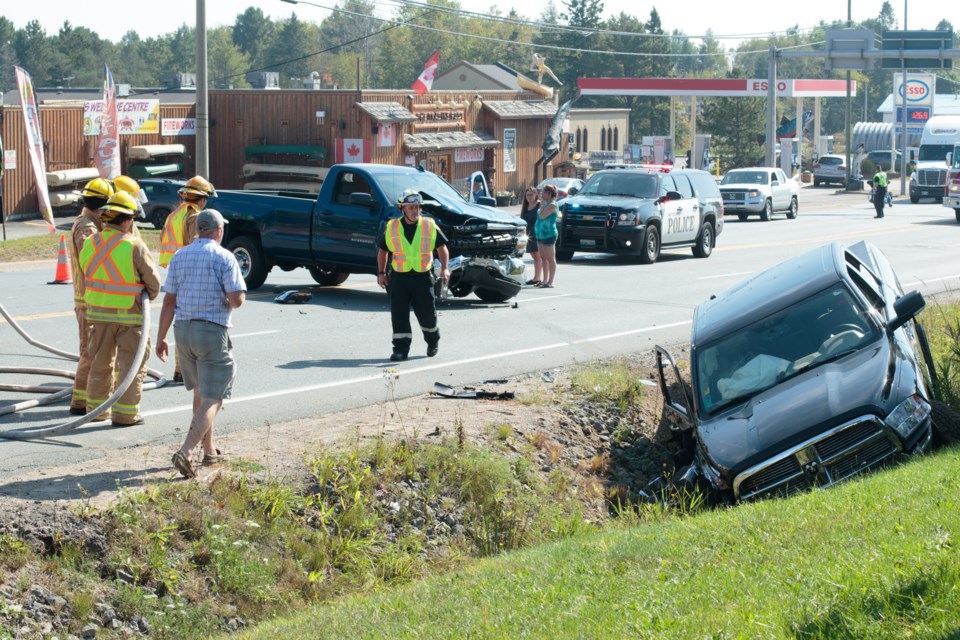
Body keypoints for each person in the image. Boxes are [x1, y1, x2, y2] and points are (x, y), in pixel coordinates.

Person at [156, 209, 246, 479]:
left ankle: (207, 449)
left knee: (200, 391)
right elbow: (236, 300)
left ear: (198, 229)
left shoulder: (180, 256)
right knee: (215, 394)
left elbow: (169, 300)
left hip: (183, 330)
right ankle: (184, 451)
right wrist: (234, 295)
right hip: (211, 330)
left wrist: (161, 336)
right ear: (218, 230)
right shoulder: (225, 257)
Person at [79, 192, 162, 426]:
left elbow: (88, 271)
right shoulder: (134, 245)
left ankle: (96, 411)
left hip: (98, 315)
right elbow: (153, 283)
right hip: (130, 316)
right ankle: (125, 414)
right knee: (131, 366)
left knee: (100, 363)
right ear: (126, 220)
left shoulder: (91, 242)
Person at [376, 189, 450, 362]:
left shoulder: (429, 225)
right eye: (411, 207)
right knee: (399, 314)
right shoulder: (392, 226)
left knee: (426, 314)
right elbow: (382, 251)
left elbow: (442, 248)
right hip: (399, 278)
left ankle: (433, 341)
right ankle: (401, 350)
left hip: (422, 277)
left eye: (418, 207)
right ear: (402, 208)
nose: (416, 211)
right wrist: (381, 273)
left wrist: (445, 268)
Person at [159, 175, 216, 383]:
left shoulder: (175, 214)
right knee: (190, 320)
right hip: (191, 272)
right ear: (201, 199)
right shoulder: (195, 216)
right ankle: (183, 370)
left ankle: (181, 370)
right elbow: (197, 245)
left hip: (176, 270)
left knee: (182, 320)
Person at [67, 177, 114, 415]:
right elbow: (92, 261)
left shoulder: (91, 222)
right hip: (88, 300)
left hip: (89, 298)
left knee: (92, 350)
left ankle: (84, 399)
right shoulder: (88, 227)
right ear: (102, 204)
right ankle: (80, 402)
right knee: (89, 351)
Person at [535, 184, 559, 288]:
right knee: (543, 258)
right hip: (540, 234)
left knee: (550, 258)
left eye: (543, 192)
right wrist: (542, 203)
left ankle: (550, 281)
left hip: (549, 234)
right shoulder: (545, 203)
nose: (541, 194)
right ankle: (544, 280)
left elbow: (542, 215)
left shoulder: (552, 205)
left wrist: (542, 203)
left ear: (549, 194)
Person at [519, 186, 543, 285]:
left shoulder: (539, 204)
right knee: (534, 255)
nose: (529, 197)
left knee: (537, 256)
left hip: (537, 233)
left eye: (531, 194)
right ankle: (536, 277)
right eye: (527, 195)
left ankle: (537, 278)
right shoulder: (525, 206)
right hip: (527, 234)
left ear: (536, 194)